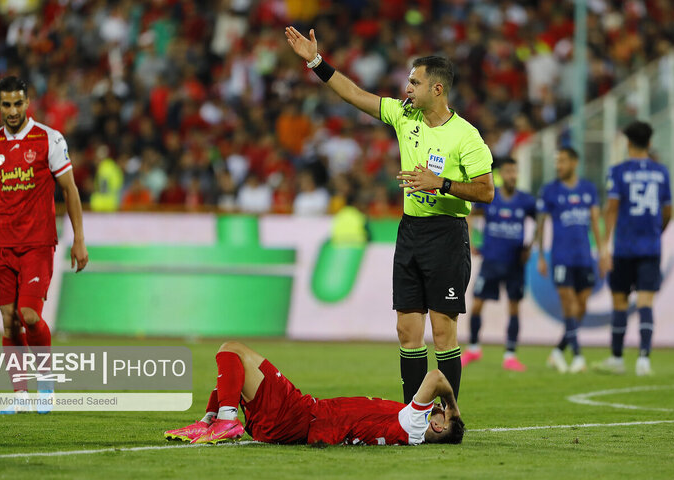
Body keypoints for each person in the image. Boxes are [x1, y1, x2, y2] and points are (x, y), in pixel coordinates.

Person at [285, 27, 494, 404]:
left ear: (437, 89)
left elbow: (486, 191)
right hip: (410, 232)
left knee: (443, 332)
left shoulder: (467, 137)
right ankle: (413, 417)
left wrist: (440, 183)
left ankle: (447, 415)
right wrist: (316, 61)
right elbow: (354, 95)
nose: (407, 88)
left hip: (447, 235)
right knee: (406, 330)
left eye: (414, 82)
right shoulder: (404, 116)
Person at [0, 76, 88, 414]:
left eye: (18, 103)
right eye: (7, 104)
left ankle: (45, 382)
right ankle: (19, 395)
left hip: (39, 242)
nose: (13, 110)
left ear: (28, 103)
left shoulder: (49, 139)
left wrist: (79, 240)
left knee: (29, 315)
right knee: (10, 319)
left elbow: (70, 190)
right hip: (2, 243)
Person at [164, 341, 465, 446]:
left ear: (438, 425)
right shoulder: (406, 430)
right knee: (236, 373)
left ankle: (225, 419)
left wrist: (453, 406)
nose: (437, 407)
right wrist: (446, 412)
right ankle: (208, 421)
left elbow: (436, 377)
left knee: (231, 350)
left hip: (299, 415)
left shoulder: (413, 424)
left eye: (439, 413)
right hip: (295, 423)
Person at [594, 121, 672, 376]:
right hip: (651, 247)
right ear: (650, 143)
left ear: (627, 143)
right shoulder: (662, 172)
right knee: (646, 302)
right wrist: (657, 232)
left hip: (625, 248)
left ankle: (617, 358)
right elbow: (668, 210)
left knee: (619, 301)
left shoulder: (617, 171)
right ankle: (644, 360)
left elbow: (612, 208)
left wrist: (605, 248)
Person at [461, 158, 536, 371]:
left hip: (514, 263)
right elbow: (470, 214)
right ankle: (474, 348)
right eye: (508, 171)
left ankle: (510, 354)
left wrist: (530, 246)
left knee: (514, 306)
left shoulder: (526, 201)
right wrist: (470, 241)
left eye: (514, 171)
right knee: (476, 304)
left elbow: (541, 220)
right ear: (501, 174)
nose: (511, 175)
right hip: (491, 260)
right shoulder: (490, 198)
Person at [535, 147, 606, 374]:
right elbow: (541, 223)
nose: (559, 165)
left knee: (582, 306)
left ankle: (558, 351)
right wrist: (541, 256)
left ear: (574, 163)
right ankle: (577, 356)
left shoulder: (588, 189)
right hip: (561, 257)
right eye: (557, 161)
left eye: (563, 161)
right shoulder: (550, 190)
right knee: (569, 304)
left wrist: (603, 252)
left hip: (585, 257)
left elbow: (595, 222)